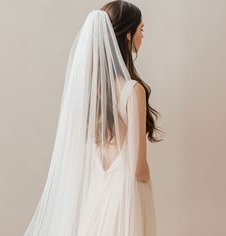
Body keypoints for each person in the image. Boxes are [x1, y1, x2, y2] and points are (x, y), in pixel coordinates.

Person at [23, 1, 163, 235]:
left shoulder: (95, 92)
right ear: (128, 35)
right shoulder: (132, 90)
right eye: (141, 29)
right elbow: (138, 169)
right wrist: (147, 185)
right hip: (127, 194)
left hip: (101, 193)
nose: (143, 35)